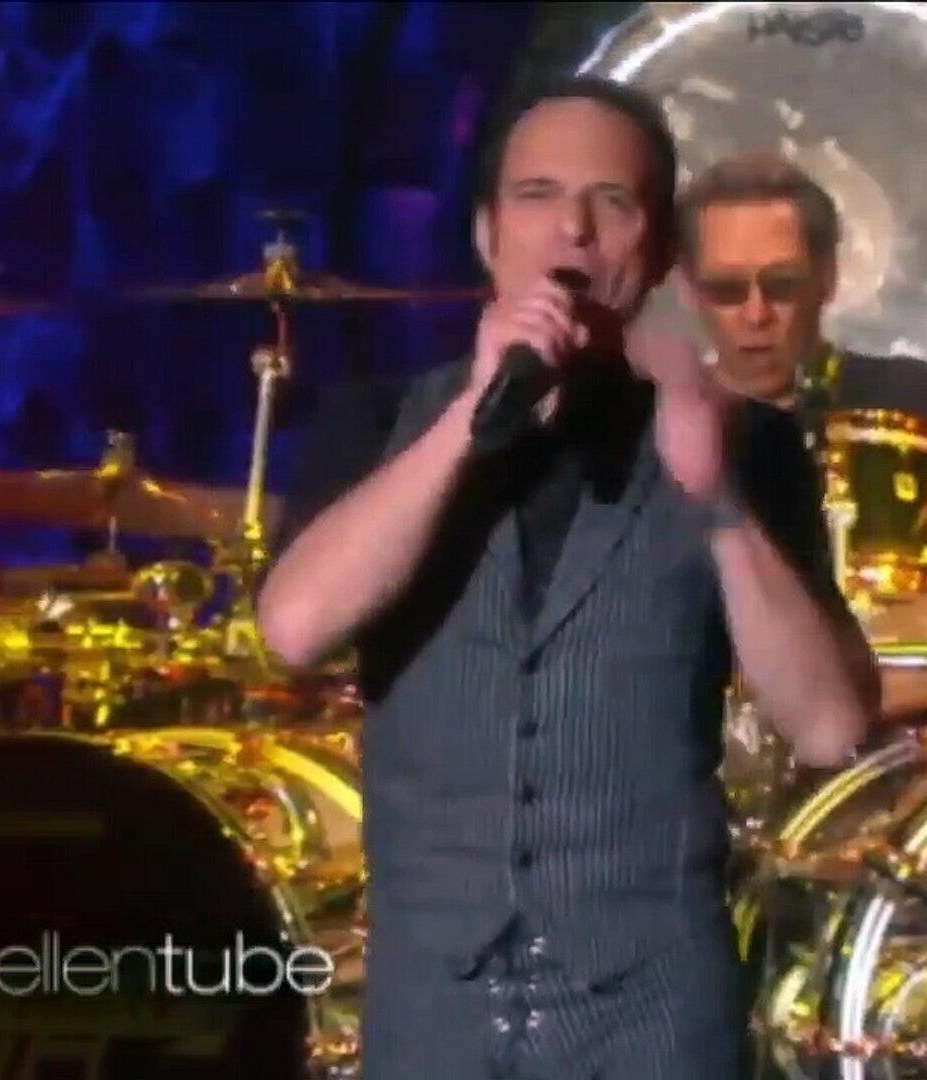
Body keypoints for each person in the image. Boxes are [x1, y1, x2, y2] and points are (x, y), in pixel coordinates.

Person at [256, 78, 881, 1078]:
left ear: (661, 252)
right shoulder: (379, 422)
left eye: (613, 202)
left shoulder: (748, 443)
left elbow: (830, 726)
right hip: (432, 1017)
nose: (575, 229)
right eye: (538, 195)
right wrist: (470, 419)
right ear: (487, 233)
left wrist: (718, 501)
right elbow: (293, 628)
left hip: (652, 1019)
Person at [673, 151, 927, 571]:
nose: (756, 314)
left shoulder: (918, 400)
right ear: (687, 289)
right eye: (727, 290)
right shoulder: (653, 432)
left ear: (827, 278)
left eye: (782, 285)